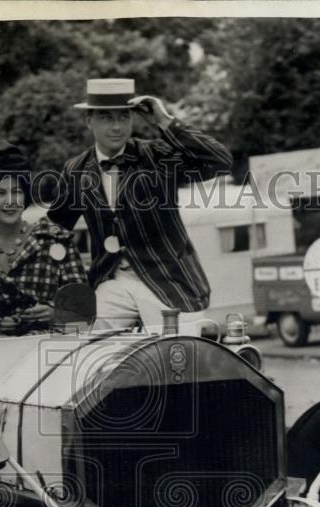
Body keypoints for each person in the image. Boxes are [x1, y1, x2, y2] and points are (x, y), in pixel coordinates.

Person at [46, 78, 232, 333]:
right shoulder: (75, 169)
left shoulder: (157, 157)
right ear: (89, 121)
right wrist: (66, 286)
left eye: (123, 117)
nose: (116, 127)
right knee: (80, 341)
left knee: (182, 359)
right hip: (112, 282)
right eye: (106, 118)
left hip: (169, 282)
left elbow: (221, 161)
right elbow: (56, 229)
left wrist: (164, 120)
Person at [0, 144, 86, 336]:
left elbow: (84, 311)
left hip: (50, 344)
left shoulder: (55, 238)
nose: (11, 201)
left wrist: (55, 314)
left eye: (17, 191)